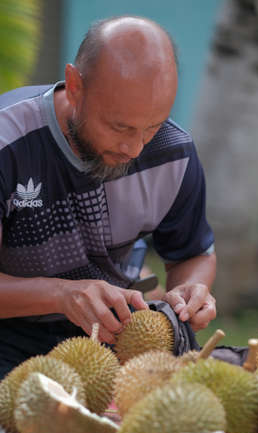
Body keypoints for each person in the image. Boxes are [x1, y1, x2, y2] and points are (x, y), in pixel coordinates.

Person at [0, 15, 216, 378]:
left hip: (115, 337)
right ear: (74, 86)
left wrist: (191, 289)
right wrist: (61, 295)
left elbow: (193, 253)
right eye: (119, 127)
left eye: (152, 126)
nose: (134, 148)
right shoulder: (8, 144)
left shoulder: (174, 151)